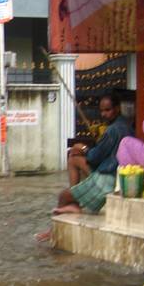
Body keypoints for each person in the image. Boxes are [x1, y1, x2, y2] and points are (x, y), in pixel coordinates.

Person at [35, 94, 133, 241]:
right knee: (73, 158)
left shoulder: (113, 130)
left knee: (63, 196)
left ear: (117, 109)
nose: (103, 114)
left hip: (107, 179)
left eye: (108, 110)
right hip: (115, 174)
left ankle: (54, 231)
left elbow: (94, 157)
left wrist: (84, 148)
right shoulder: (126, 125)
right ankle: (75, 201)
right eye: (102, 111)